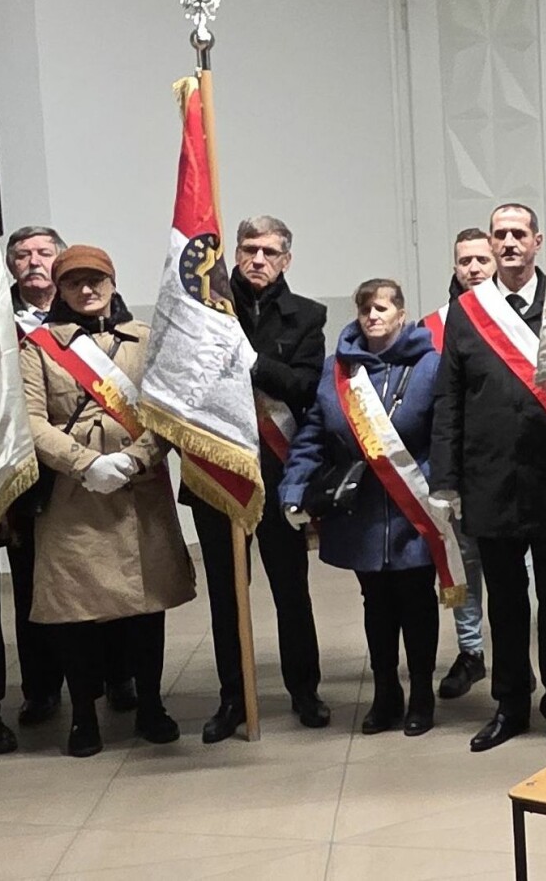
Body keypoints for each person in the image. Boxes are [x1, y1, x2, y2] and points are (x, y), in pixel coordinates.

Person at [18, 245, 197, 757]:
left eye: (96, 280)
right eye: (74, 282)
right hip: (74, 495)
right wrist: (85, 463)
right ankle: (82, 715)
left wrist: (135, 459)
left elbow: (168, 412)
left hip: (139, 492)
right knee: (76, 611)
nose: (87, 289)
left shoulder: (144, 340)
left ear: (113, 283)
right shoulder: (38, 347)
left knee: (146, 607)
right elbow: (30, 420)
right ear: (60, 290)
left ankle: (151, 706)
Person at [431, 204, 546, 753]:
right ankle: (511, 703)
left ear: (538, 241)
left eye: (519, 233)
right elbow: (449, 399)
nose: (509, 243)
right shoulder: (468, 312)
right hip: (489, 478)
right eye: (500, 235)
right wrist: (446, 480)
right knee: (505, 601)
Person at [184, 215, 331, 742]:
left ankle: (305, 690)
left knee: (291, 590)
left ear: (286, 260)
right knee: (227, 594)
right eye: (249, 249)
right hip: (219, 472)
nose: (258, 259)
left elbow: (305, 387)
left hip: (279, 473)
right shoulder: (203, 312)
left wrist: (254, 364)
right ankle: (234, 696)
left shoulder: (307, 316)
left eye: (269, 251)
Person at [280, 279, 445, 736]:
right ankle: (386, 693)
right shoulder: (338, 372)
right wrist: (294, 487)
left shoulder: (430, 366)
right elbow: (312, 436)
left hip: (415, 509)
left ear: (401, 315)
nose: (373, 316)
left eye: (382, 308)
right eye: (366, 309)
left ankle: (422, 694)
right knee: (376, 604)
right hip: (362, 513)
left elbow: (446, 433)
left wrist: (443, 487)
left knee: (417, 603)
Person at [0, 225, 109, 726]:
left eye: (44, 252)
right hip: (25, 470)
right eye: (22, 255)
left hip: (92, 468)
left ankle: (115, 675)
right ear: (11, 266)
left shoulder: (95, 314)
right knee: (35, 583)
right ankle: (41, 687)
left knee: (103, 573)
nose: (33, 262)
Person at [432, 227, 493, 701]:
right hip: (461, 470)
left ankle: (515, 654)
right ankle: (471, 651)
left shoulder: (525, 317)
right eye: (464, 261)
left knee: (518, 573)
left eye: (481, 259)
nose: (473, 268)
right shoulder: (435, 327)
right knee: (462, 567)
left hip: (512, 470)